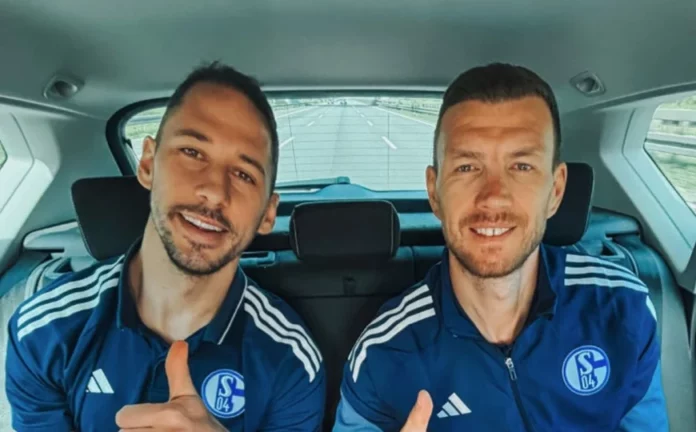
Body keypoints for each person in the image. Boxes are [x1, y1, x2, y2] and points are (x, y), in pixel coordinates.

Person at [333, 63, 667, 431]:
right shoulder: (384, 353)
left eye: (521, 166)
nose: (493, 197)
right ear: (434, 192)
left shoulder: (622, 309)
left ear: (555, 190)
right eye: (466, 167)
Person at [5, 62, 325, 431]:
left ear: (268, 213)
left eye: (243, 174)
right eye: (192, 152)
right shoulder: (44, 331)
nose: (214, 191)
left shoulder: (289, 358)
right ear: (147, 164)